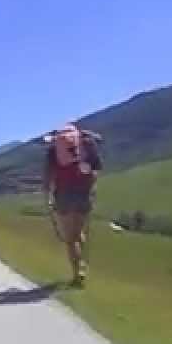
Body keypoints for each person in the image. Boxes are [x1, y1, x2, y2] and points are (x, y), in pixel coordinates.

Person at [43, 123, 103, 286]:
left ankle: (78, 272)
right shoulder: (88, 145)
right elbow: (97, 169)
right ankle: (82, 264)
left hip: (63, 194)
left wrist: (47, 193)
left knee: (70, 238)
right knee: (79, 232)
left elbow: (49, 175)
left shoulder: (53, 149)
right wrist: (91, 187)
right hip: (84, 193)